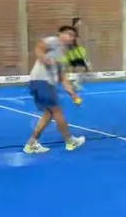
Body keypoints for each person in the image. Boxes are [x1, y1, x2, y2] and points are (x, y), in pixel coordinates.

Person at [23, 25, 86, 154]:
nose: (71, 37)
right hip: (42, 81)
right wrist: (43, 58)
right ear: (59, 34)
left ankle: (31, 143)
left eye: (73, 36)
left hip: (41, 83)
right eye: (68, 34)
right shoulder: (54, 41)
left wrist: (73, 95)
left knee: (49, 113)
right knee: (57, 111)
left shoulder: (63, 55)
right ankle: (69, 141)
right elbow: (39, 46)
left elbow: (62, 78)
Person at [64, 17, 91, 88]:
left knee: (74, 67)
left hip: (74, 51)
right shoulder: (73, 31)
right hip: (76, 52)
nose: (81, 23)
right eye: (80, 22)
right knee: (87, 67)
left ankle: (74, 83)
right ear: (77, 22)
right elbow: (71, 42)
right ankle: (75, 82)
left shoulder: (74, 30)